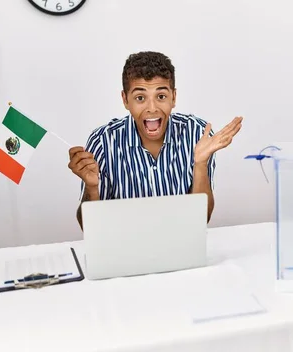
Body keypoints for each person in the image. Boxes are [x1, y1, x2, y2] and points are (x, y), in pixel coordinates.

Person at [68, 51, 243, 229]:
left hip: (180, 245)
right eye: (140, 98)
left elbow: (200, 220)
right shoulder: (103, 141)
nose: (152, 108)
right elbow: (91, 228)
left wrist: (201, 163)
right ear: (125, 100)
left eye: (161, 96)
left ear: (173, 97)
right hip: (123, 247)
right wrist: (91, 187)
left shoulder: (198, 134)